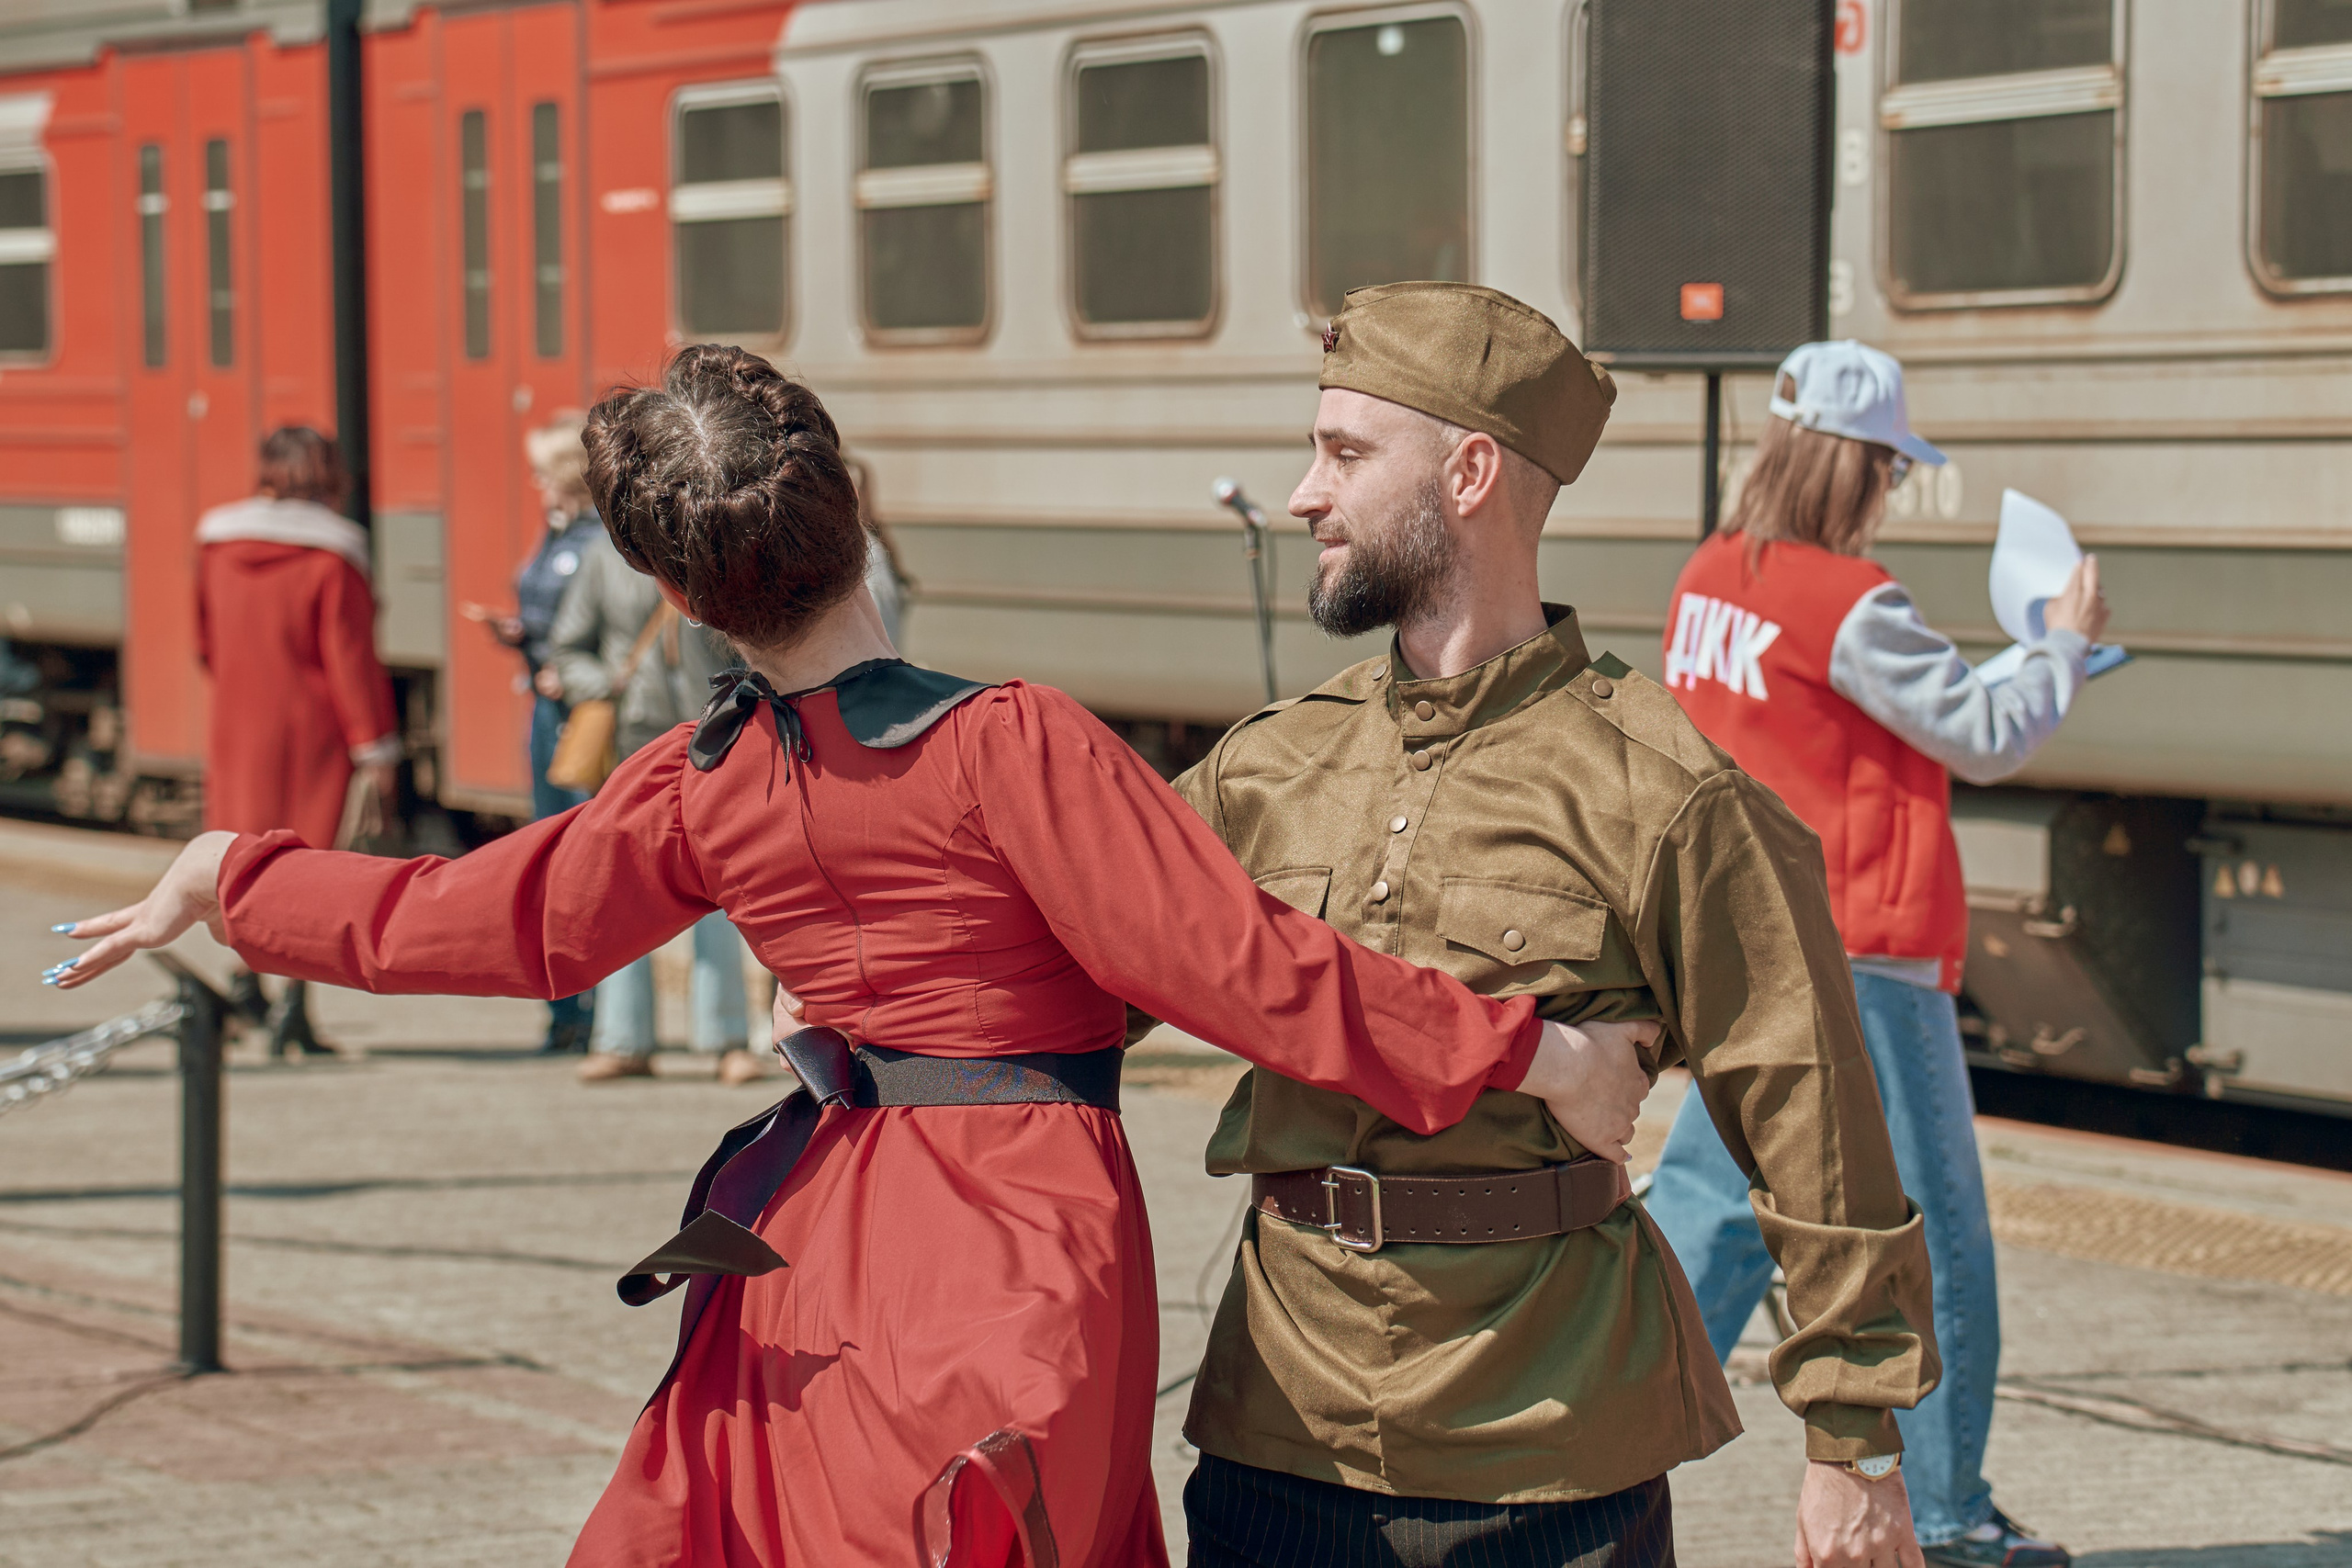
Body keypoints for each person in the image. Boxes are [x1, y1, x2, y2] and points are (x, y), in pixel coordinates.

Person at [46, 344, 1656, 1568]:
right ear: (849, 502)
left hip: (810, 1237)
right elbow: (1250, 969)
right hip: (1019, 1226)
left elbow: (482, 923)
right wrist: (1536, 1051)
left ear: (679, 591)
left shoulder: (705, 780)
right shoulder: (1011, 744)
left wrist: (233, 876)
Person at [1150, 283, 1939, 1568]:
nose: (1304, 493)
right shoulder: (1266, 769)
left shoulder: (1665, 789)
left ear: (1467, 471)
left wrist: (1855, 1442)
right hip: (1275, 1437)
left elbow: (1814, 1118)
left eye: (1346, 454)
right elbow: (1067, 951)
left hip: (1553, 1453)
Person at [1645, 339, 2108, 1568]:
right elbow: (1988, 732)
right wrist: (2060, 643)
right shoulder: (1850, 597)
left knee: (1711, 1216)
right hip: (1868, 958)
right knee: (1936, 1239)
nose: (1893, 491)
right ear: (1853, 467)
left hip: (1746, 950)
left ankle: (1592, 1458)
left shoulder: (1709, 581)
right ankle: (1949, 1514)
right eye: (1890, 471)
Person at [194, 426, 399, 1057]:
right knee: (306, 864)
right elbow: (349, 660)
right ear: (329, 477)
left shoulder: (216, 545)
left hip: (236, 722)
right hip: (313, 731)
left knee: (240, 856)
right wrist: (376, 744)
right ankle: (293, 1007)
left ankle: (243, 983)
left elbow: (203, 643)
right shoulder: (334, 555)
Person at [541, 488, 756, 1084]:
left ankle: (726, 1040)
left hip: (707, 740)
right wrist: (603, 682)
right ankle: (623, 1038)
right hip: (628, 741)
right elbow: (569, 645)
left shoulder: (712, 558)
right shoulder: (601, 563)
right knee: (621, 889)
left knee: (717, 893)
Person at [460, 410, 606, 1054]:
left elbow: (600, 626)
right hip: (545, 709)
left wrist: (568, 668)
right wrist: (518, 634)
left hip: (581, 713)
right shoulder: (555, 532)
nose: (534, 481)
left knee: (586, 861)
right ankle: (562, 1008)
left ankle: (592, 1010)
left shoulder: (603, 540)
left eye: (543, 470)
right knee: (549, 856)